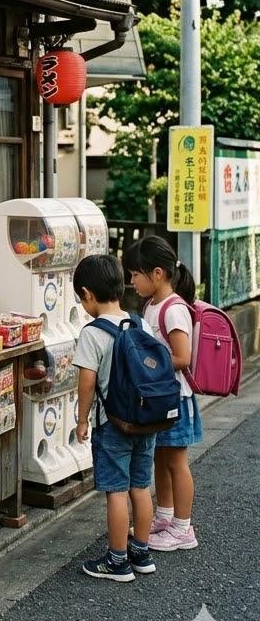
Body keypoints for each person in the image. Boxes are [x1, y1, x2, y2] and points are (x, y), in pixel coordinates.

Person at [72, 253, 157, 582]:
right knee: (140, 486)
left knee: (117, 492)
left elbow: (87, 383)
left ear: (87, 294)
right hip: (146, 420)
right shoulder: (140, 323)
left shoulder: (92, 333)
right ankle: (142, 552)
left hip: (113, 424)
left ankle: (117, 561)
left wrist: (82, 420)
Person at [122, 236, 203, 552]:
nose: (132, 281)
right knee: (161, 456)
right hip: (160, 399)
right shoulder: (151, 305)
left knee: (177, 461)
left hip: (176, 399)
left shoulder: (172, 309)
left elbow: (183, 358)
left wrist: (145, 361)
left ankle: (183, 528)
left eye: (135, 274)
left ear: (157, 273)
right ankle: (165, 517)